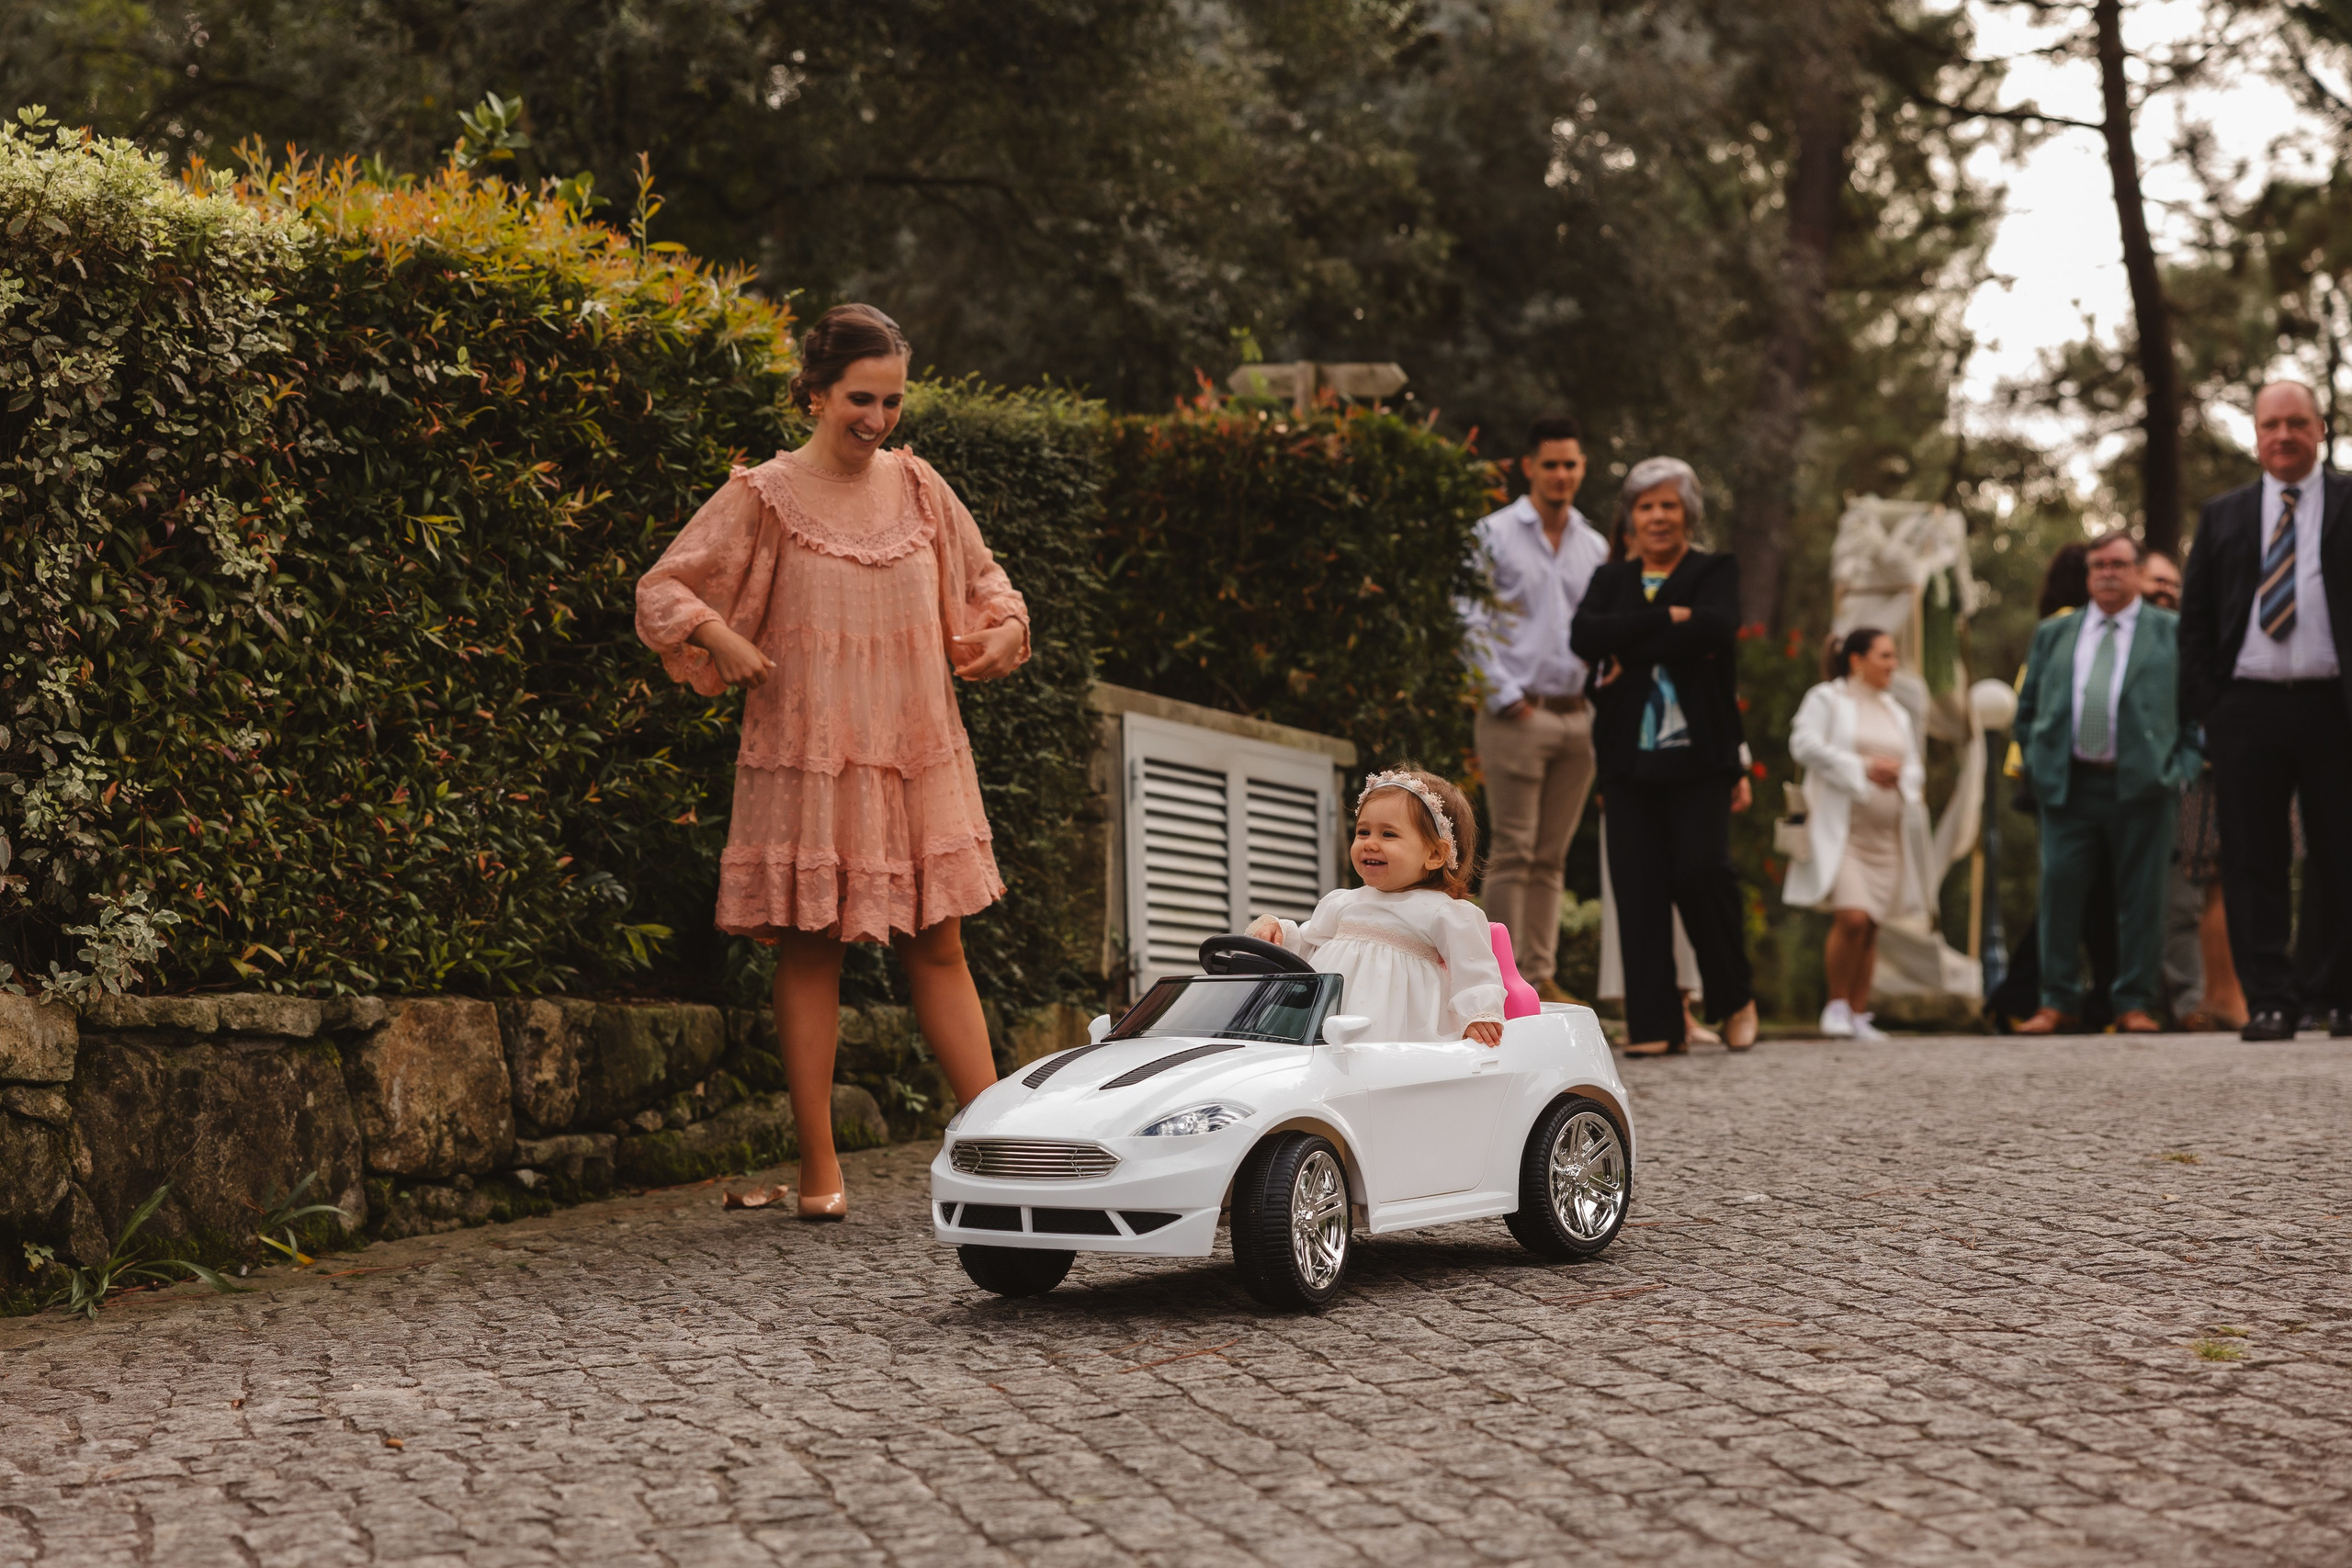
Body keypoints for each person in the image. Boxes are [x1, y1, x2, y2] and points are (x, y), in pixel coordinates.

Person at [635, 303, 1029, 1219]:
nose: (878, 419)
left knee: (940, 943)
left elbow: (985, 581)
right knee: (811, 950)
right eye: (860, 397)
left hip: (912, 753)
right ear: (813, 393)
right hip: (809, 754)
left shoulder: (923, 489)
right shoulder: (763, 496)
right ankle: (820, 1171)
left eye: (891, 400)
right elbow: (664, 587)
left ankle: (1000, 1144)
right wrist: (717, 636)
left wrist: (1005, 627)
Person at [2178, 379, 2352, 1041]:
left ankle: (2339, 994)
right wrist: (2210, 707)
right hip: (2245, 707)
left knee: (2341, 852)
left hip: (2333, 707)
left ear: (2320, 429)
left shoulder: (2347, 500)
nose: (2283, 435)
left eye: (2296, 422)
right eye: (2271, 424)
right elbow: (2193, 622)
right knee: (2254, 857)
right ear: (2256, 435)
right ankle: (2271, 1000)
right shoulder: (2221, 515)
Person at [1570, 457, 1759, 1056]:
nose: (1656, 516)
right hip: (1628, 757)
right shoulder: (1611, 579)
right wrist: (1668, 620)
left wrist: (1632, 640)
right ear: (1630, 517)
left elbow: (1716, 628)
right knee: (1638, 882)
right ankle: (1655, 1024)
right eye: (1645, 505)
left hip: (1701, 753)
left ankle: (1734, 998)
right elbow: (1584, 637)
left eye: (1668, 505)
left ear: (1688, 513)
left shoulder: (1714, 569)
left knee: (1701, 871)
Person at [2011, 530, 2199, 1034]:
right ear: (2088, 573)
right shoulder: (2055, 634)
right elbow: (2026, 708)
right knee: (2059, 894)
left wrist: (2179, 770)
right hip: (2068, 785)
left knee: (2142, 900)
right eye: (2098, 566)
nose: (2108, 574)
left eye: (2118, 564)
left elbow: (2196, 713)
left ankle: (2133, 1004)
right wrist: (2036, 758)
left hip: (2143, 785)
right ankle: (2057, 1002)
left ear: (2138, 570)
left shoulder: (2171, 631)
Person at [1460, 415, 1612, 1003]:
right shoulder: (1492, 535)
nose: (1561, 475)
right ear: (1529, 467)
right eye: (1550, 464)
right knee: (1516, 851)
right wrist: (1506, 697)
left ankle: (1541, 978)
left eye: (1571, 464)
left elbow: (1600, 630)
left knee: (1552, 857)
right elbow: (1466, 620)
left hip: (1578, 717)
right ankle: (1503, 979)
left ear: (1582, 469)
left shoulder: (1594, 545)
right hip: (1515, 714)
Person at [1247, 769, 1508, 1044]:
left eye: (1388, 834)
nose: (1369, 843)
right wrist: (1280, 934)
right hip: (1328, 1019)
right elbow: (1309, 945)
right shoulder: (1344, 901)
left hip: (1401, 1028)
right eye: (1363, 831)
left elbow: (1474, 969)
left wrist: (1479, 1013)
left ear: (1434, 854)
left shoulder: (1443, 912)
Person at [1784, 628, 1931, 1042]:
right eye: (1884, 656)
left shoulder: (1896, 710)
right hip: (1843, 831)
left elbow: (1916, 764)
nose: (1892, 664)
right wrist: (1863, 767)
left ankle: (1857, 1011)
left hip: (1888, 837)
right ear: (1857, 660)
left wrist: (1899, 773)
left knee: (1872, 925)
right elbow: (1804, 744)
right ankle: (1835, 1004)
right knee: (1852, 917)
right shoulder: (1826, 699)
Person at [2143, 551, 2245, 1031]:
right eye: (2156, 580)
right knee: (2183, 894)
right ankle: (2193, 1002)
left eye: (2173, 583)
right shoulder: (2172, 638)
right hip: (2183, 777)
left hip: (2229, 772)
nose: (2167, 590)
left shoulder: (2210, 631)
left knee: (2229, 886)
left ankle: (2222, 998)